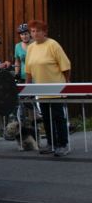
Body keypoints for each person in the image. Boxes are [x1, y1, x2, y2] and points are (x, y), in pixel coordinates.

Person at [26, 19, 72, 157]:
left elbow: (66, 65)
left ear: (44, 32)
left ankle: (63, 144)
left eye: (38, 31)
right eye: (32, 31)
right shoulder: (31, 48)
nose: (35, 34)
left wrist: (67, 82)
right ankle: (51, 143)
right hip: (41, 89)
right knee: (46, 118)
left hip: (56, 88)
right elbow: (28, 69)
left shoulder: (53, 45)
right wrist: (27, 86)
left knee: (58, 118)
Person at [13, 23, 39, 151]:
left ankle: (37, 126)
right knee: (23, 104)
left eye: (26, 33)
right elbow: (17, 60)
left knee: (33, 102)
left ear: (30, 34)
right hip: (23, 77)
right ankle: (24, 131)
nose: (24, 36)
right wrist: (16, 73)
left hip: (34, 76)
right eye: (22, 34)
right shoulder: (18, 46)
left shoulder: (35, 44)